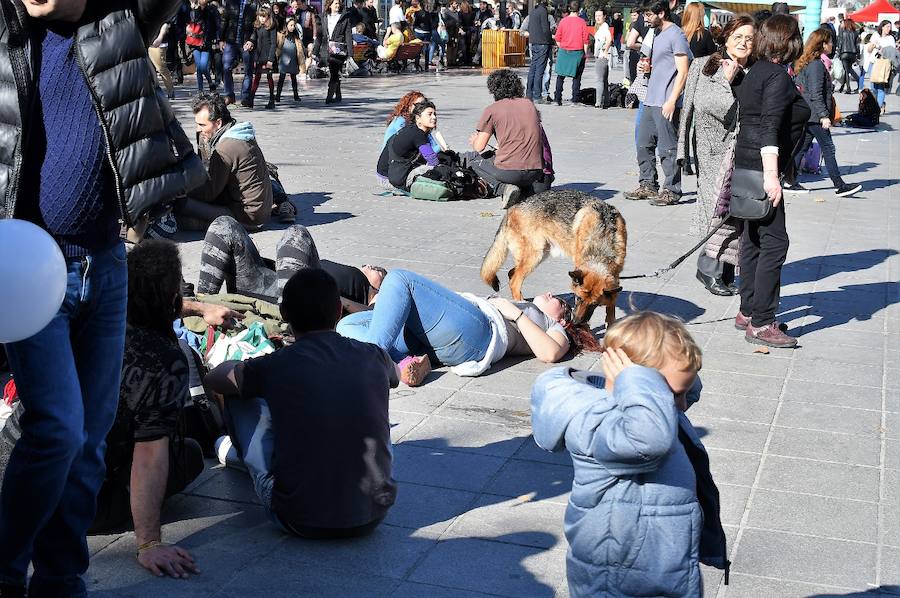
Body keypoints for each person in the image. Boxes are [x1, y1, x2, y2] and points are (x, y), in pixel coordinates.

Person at [0, 0, 205, 595]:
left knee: (89, 440)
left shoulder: (117, 20)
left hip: (108, 262)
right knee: (56, 428)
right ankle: (7, 572)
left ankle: (63, 580)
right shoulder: (10, 27)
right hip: (28, 265)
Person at [530, 311, 727, 597]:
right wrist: (639, 379)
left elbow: (681, 391)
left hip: (657, 565)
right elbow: (648, 442)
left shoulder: (646, 408)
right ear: (634, 381)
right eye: (672, 394)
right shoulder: (597, 420)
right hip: (615, 573)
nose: (681, 406)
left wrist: (667, 380)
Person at [205, 268, 398, 538]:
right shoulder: (373, 355)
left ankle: (230, 449)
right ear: (339, 311)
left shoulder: (276, 364)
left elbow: (216, 379)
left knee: (241, 393)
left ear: (284, 315)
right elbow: (395, 377)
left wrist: (237, 365)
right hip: (373, 514)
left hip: (297, 516)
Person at [92, 241, 204, 578]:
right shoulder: (164, 361)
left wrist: (198, 308)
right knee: (190, 453)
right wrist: (149, 543)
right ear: (173, 298)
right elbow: (149, 455)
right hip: (79, 502)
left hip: (19, 477)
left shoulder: (90, 321)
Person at [336, 270, 601, 385]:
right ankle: (405, 364)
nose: (551, 293)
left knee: (399, 279)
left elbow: (550, 354)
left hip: (481, 331)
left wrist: (515, 314)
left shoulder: (556, 328)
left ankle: (372, 362)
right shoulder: (536, 311)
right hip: (445, 338)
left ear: (564, 320)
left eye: (559, 302)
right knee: (347, 325)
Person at [733, 14, 810, 348]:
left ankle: (749, 310)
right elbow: (768, 125)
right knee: (775, 243)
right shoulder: (777, 76)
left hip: (745, 162)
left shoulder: (756, 71)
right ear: (788, 41)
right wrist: (770, 176)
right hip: (761, 167)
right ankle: (762, 322)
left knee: (752, 237)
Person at [678, 15, 756, 297]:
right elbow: (695, 107)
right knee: (716, 209)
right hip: (711, 151)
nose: (744, 43)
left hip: (741, 151)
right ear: (725, 39)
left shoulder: (754, 72)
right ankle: (707, 268)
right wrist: (681, 153)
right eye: (739, 37)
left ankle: (722, 268)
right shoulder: (703, 66)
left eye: (749, 38)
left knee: (733, 212)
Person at [196, 214, 386, 310]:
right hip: (267, 284)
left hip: (303, 306)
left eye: (379, 271)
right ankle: (201, 305)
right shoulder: (350, 274)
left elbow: (376, 320)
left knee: (296, 234)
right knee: (225, 224)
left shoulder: (373, 300)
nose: (370, 266)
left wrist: (342, 301)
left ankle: (288, 316)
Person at [624, 0, 691, 207]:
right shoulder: (656, 33)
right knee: (643, 143)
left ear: (661, 13)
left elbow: (683, 70)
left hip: (666, 100)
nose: (645, 18)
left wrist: (672, 100)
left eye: (648, 15)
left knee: (668, 148)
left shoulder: (676, 34)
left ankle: (671, 189)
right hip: (650, 98)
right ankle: (647, 184)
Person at [179, 93, 274, 230]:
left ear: (218, 123)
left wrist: (180, 188)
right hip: (260, 210)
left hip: (248, 216)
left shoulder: (226, 147)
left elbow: (208, 193)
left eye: (202, 125)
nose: (198, 129)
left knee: (181, 205)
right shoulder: (238, 131)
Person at [792, 29, 863, 197]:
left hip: (809, 113)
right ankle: (839, 185)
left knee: (802, 147)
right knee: (828, 148)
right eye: (830, 42)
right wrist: (824, 115)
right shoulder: (816, 65)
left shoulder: (808, 62)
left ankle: (789, 180)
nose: (832, 45)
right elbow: (815, 93)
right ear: (822, 44)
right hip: (816, 116)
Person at [466, 69, 547, 206]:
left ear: (493, 89)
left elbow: (479, 146)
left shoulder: (493, 109)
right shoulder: (529, 105)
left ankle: (503, 189)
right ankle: (525, 189)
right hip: (536, 171)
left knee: (473, 160)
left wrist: (474, 141)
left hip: (510, 172)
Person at [377, 101, 442, 190]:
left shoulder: (410, 128)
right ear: (418, 118)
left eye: (435, 114)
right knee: (437, 170)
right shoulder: (417, 134)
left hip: (385, 175)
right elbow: (433, 160)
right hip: (389, 179)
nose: (434, 117)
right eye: (429, 114)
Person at [221, 0, 258, 105]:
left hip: (246, 41)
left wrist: (252, 40)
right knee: (226, 66)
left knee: (248, 70)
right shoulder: (231, 2)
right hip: (231, 40)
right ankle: (229, 95)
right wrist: (221, 39)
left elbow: (257, 25)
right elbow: (225, 20)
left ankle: (245, 97)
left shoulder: (254, 4)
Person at [317, 0, 355, 104]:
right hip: (327, 49)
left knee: (333, 71)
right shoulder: (323, 17)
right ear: (329, 5)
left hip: (339, 49)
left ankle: (329, 97)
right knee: (334, 71)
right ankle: (338, 96)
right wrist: (315, 51)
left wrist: (350, 53)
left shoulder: (344, 18)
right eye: (335, 4)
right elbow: (320, 36)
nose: (338, 5)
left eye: (339, 3)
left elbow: (348, 35)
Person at [553, 0, 590, 105]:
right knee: (576, 78)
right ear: (579, 9)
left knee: (560, 76)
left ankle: (557, 98)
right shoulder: (582, 22)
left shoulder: (563, 21)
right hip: (577, 52)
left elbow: (557, 38)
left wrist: (563, 47)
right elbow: (586, 40)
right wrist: (585, 54)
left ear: (569, 8)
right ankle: (575, 99)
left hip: (564, 52)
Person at [187, 0, 220, 92]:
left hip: (207, 41)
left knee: (203, 66)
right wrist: (193, 9)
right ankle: (200, 90)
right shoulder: (193, 10)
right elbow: (192, 21)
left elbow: (217, 25)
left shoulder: (212, 10)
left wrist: (217, 39)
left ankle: (210, 82)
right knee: (199, 67)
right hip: (195, 41)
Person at [248, 7, 278, 109]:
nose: (261, 18)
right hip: (259, 56)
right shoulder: (257, 27)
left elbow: (274, 44)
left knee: (269, 78)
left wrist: (270, 59)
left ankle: (271, 100)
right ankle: (251, 99)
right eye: (260, 16)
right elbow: (255, 41)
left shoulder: (272, 27)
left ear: (268, 17)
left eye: (264, 16)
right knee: (257, 77)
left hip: (268, 56)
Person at [524, 0, 553, 102]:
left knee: (533, 68)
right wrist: (550, 40)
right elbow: (545, 29)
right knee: (540, 70)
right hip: (542, 43)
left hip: (534, 42)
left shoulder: (533, 11)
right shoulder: (543, 11)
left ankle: (529, 93)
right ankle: (537, 95)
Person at [864, 20, 895, 112]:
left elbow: (891, 52)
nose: (888, 29)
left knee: (880, 87)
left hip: (883, 64)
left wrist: (880, 47)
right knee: (873, 87)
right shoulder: (875, 35)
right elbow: (869, 50)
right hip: (873, 63)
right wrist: (872, 45)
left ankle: (877, 109)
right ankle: (880, 104)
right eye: (887, 27)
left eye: (890, 27)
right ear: (882, 27)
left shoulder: (890, 38)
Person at [276, 17, 306, 103]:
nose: (292, 27)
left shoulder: (296, 37)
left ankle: (296, 95)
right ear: (286, 26)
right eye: (291, 25)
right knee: (281, 78)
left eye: (294, 25)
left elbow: (300, 50)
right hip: (283, 59)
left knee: (293, 78)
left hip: (293, 60)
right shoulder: (281, 35)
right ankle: (278, 95)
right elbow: (277, 47)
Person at [149, 22, 176, 99]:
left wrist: (160, 37)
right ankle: (152, 92)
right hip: (147, 43)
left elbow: (166, 23)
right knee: (149, 69)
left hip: (158, 44)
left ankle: (170, 90)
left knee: (161, 69)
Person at [593, 8, 612, 109]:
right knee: (604, 80)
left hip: (601, 57)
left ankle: (598, 102)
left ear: (604, 16)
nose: (598, 18)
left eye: (600, 15)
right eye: (596, 16)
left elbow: (609, 39)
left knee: (599, 80)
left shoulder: (604, 28)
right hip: (603, 57)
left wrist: (605, 51)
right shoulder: (602, 27)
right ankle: (606, 101)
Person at [836, 18, 860, 94]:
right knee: (849, 69)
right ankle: (859, 82)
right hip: (853, 53)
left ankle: (848, 88)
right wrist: (858, 54)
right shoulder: (855, 33)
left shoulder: (842, 32)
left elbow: (840, 44)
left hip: (844, 53)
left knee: (846, 70)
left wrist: (838, 53)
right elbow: (857, 45)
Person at [459, 0, 477, 64]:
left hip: (465, 30)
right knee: (468, 46)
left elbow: (460, 22)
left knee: (465, 46)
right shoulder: (472, 13)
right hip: (469, 30)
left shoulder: (460, 13)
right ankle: (467, 60)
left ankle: (465, 60)